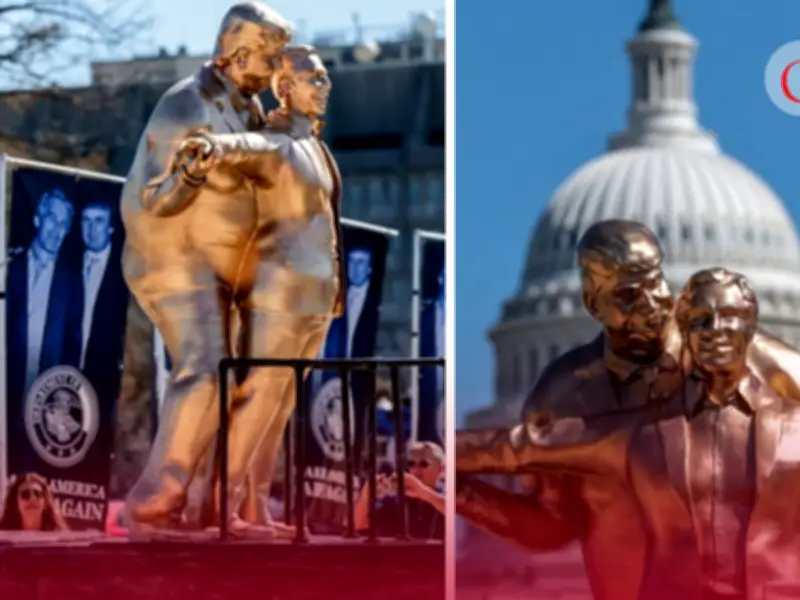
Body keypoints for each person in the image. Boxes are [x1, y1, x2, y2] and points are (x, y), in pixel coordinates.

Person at [454, 220, 800, 600]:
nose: (652, 306)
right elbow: (552, 526)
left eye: (655, 283)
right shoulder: (563, 395)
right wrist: (457, 493)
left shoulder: (730, 353)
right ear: (592, 304)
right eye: (629, 295)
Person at [119, 2, 292, 532]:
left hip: (232, 270)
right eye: (272, 56)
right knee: (206, 368)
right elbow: (150, 199)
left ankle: (211, 505)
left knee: (247, 381)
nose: (279, 69)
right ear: (241, 54)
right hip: (176, 261)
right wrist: (188, 176)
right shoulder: (185, 103)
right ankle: (155, 497)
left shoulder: (252, 110)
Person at [181, 44, 346, 535]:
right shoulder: (276, 141)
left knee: (282, 403)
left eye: (325, 81)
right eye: (315, 80)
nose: (325, 88)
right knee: (259, 396)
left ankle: (253, 506)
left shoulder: (315, 145)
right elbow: (244, 147)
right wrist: (211, 146)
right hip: (280, 290)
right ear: (287, 87)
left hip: (318, 293)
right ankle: (220, 508)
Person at [354, 441, 445, 541]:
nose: (416, 469)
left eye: (424, 464)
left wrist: (421, 491)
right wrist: (365, 497)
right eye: (411, 464)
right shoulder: (399, 498)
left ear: (440, 469)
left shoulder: (447, 495)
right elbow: (358, 525)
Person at [0, 473, 69, 532]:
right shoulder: (2, 536)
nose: (32, 498)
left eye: (37, 494)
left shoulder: (60, 537)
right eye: (25, 494)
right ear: (15, 504)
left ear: (45, 503)